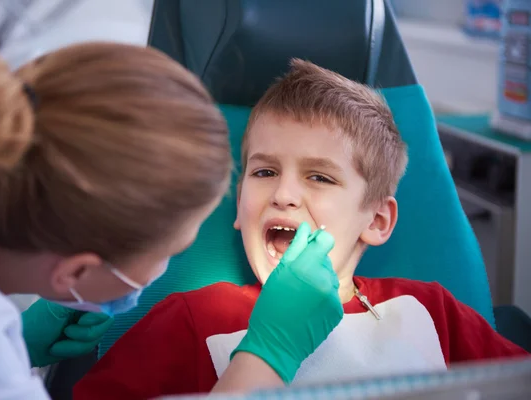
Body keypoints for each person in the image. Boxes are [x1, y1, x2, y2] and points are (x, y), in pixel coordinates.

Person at [74, 59, 530, 400]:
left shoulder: (433, 311)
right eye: (264, 172)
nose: (284, 195)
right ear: (238, 205)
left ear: (376, 220)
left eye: (319, 177)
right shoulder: (193, 320)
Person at [0, 43, 341, 398]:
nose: (284, 196)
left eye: (320, 177)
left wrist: (17, 342)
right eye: (170, 252)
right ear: (76, 271)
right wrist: (269, 355)